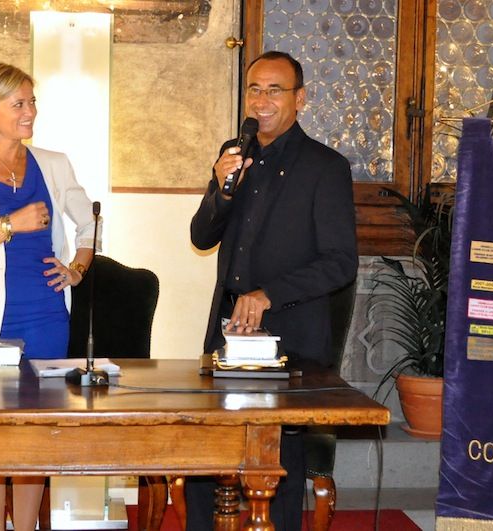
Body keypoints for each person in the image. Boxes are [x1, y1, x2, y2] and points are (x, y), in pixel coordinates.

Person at [189, 51, 358, 530]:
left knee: (278, 465)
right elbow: (201, 236)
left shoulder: (325, 166)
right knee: (204, 456)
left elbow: (341, 262)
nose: (262, 101)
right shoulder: (234, 155)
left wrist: (269, 294)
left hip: (290, 335)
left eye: (275, 90)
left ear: (299, 99)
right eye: (254, 90)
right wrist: (223, 189)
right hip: (227, 332)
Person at [0, 62, 99, 531]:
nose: (30, 112)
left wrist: (77, 269)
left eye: (32, 102)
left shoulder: (54, 163)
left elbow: (90, 223)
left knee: (34, 437)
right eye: (18, 104)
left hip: (46, 317)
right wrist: (10, 225)